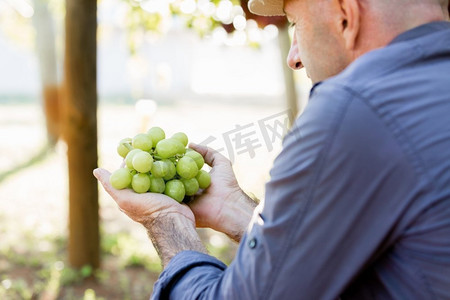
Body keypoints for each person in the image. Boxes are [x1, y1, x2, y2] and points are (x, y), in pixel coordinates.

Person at [94, 0, 450, 298]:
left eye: (296, 22)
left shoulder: (354, 109)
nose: (293, 57)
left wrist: (167, 223)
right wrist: (233, 209)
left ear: (346, 14)